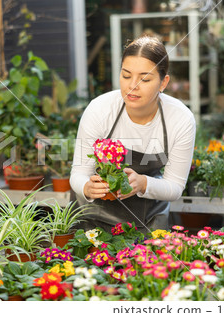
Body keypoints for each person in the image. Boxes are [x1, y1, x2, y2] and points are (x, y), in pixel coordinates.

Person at [70, 36, 196, 233]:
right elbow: (78, 173)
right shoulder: (100, 110)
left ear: (163, 82)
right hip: (92, 218)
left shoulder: (180, 119)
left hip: (147, 218)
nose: (132, 86)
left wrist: (143, 183)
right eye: (126, 75)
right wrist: (87, 187)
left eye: (145, 79)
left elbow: (175, 187)